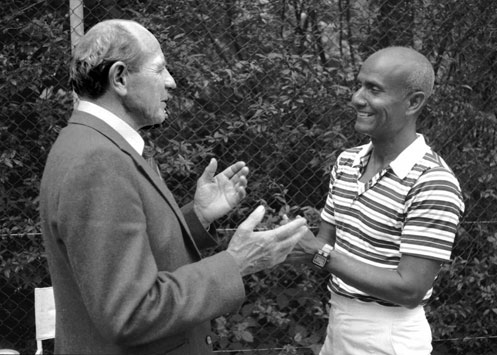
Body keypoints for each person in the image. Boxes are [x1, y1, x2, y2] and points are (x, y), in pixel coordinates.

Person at [39, 19, 308, 355]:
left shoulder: (90, 143)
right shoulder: (98, 161)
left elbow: (121, 257)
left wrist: (196, 218)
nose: (172, 82)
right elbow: (132, 313)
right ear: (120, 78)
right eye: (160, 69)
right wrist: (237, 262)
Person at [288, 47, 464, 354]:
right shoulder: (347, 161)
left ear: (413, 102)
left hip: (389, 337)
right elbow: (324, 245)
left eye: (374, 89)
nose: (357, 98)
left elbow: (410, 289)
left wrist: (318, 254)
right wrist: (284, 246)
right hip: (338, 321)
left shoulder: (432, 182)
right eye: (360, 85)